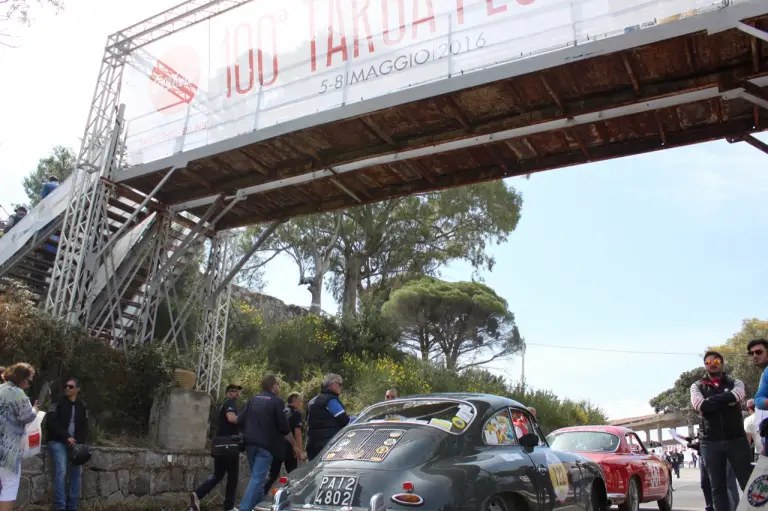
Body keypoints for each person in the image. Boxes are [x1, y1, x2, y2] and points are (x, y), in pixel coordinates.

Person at [690, 350, 752, 511]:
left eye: (716, 362)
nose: (712, 365)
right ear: (705, 366)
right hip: (710, 442)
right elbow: (699, 405)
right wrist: (727, 401)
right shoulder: (696, 386)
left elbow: (738, 395)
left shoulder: (736, 382)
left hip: (736, 439)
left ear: (722, 364)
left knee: (748, 482)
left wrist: (711, 402)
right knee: (717, 487)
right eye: (708, 362)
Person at [236, 375, 303, 511]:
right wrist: (295, 445)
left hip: (250, 445)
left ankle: (260, 507)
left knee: (258, 480)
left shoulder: (252, 399)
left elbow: (240, 420)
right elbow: (284, 428)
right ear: (272, 386)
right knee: (257, 480)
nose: (279, 387)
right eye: (278, 384)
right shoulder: (277, 402)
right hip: (265, 447)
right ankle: (244, 508)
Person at [190, 384, 242, 511]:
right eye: (235, 391)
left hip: (219, 445)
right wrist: (243, 419)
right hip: (229, 445)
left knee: (217, 475)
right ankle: (229, 507)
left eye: (238, 392)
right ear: (229, 393)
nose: (237, 394)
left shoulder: (221, 405)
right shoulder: (230, 402)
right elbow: (231, 418)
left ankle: (197, 494)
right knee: (233, 477)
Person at [0, 364, 38, 511]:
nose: (29, 384)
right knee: (9, 486)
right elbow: (27, 416)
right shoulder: (17, 393)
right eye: (29, 380)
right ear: (22, 379)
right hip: (7, 452)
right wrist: (34, 409)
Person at [46, 378, 89, 511]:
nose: (67, 388)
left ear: (78, 389)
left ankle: (73, 507)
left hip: (75, 444)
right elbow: (51, 422)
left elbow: (85, 426)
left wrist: (78, 442)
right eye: (66, 386)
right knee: (62, 471)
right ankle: (60, 506)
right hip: (57, 441)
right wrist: (67, 437)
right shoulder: (56, 401)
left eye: (71, 386)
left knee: (77, 473)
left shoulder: (82, 405)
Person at [687, 435, 740, 511]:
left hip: (715, 449)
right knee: (708, 484)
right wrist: (694, 439)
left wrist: (699, 443)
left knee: (722, 484)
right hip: (706, 450)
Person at [264, 392, 304, 495]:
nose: (301, 404)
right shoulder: (296, 413)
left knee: (272, 475)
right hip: (290, 447)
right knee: (293, 474)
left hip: (276, 447)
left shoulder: (281, 411)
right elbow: (297, 432)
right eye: (300, 401)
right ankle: (292, 497)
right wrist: (299, 449)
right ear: (294, 400)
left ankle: (259, 495)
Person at [306, 374, 350, 460]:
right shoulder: (331, 400)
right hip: (327, 445)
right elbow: (345, 420)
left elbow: (307, 423)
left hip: (312, 444)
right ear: (331, 384)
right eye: (340, 384)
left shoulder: (312, 401)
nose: (341, 387)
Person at [748, 339, 768, 455]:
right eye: (752, 353)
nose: (755, 356)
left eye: (759, 352)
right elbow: (759, 399)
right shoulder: (765, 373)